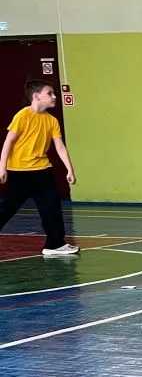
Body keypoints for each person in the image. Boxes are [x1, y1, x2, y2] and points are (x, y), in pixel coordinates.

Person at [0, 79, 78, 257]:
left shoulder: (52, 121)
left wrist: (70, 169)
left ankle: (55, 245)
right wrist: (2, 167)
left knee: (52, 208)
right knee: (7, 209)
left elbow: (60, 146)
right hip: (19, 173)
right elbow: (8, 142)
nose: (54, 96)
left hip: (43, 171)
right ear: (36, 96)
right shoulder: (22, 116)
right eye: (49, 93)